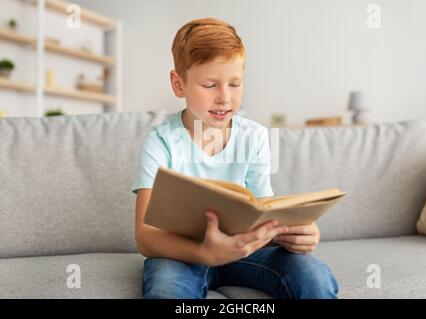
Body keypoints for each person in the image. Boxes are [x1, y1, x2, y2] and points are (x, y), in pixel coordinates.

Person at [132, 17, 339, 299]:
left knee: (313, 274)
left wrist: (296, 234)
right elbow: (145, 236)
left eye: (235, 83)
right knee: (167, 289)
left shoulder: (254, 137)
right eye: (209, 85)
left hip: (246, 251)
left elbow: (263, 210)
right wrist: (204, 251)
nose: (224, 98)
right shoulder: (162, 141)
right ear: (178, 84)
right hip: (183, 254)